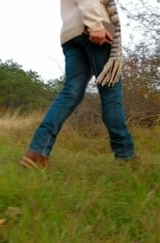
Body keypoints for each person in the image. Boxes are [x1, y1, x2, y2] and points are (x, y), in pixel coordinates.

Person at [20, 0, 137, 169]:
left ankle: (37, 153)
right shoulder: (94, 22)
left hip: (72, 33)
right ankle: (126, 157)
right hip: (94, 28)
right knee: (111, 94)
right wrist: (95, 24)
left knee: (70, 94)